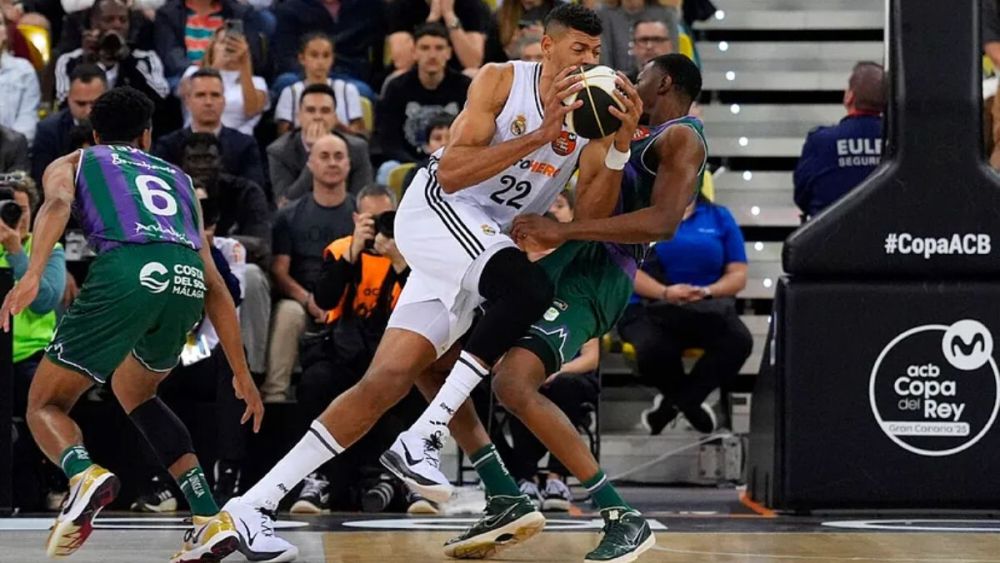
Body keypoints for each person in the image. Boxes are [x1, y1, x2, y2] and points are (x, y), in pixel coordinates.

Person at [222, 5, 639, 562]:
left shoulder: (591, 116)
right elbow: (450, 172)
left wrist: (618, 145)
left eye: (595, 53)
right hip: (439, 211)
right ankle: (426, 434)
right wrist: (539, 135)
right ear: (547, 46)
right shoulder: (500, 80)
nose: (589, 61)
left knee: (388, 379)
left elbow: (588, 213)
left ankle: (249, 508)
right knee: (528, 292)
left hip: (482, 242)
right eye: (578, 50)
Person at [399, 52, 706, 561]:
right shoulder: (619, 129)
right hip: (567, 257)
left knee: (513, 384)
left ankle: (620, 516)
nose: (631, 80)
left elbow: (663, 223)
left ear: (665, 81)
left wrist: (563, 230)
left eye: (642, 74)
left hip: (601, 273)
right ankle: (503, 495)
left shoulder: (682, 136)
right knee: (430, 357)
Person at [0, 86, 265, 561]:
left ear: (95, 133)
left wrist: (34, 272)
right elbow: (216, 283)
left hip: (128, 272)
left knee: (45, 404)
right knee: (137, 393)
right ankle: (208, 517)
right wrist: (241, 373)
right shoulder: (181, 179)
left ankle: (83, 474)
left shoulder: (75, 160)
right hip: (185, 283)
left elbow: (57, 206)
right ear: (147, 136)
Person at [289, 185, 422, 514]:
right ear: (356, 218)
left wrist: (398, 262)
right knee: (315, 380)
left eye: (385, 219)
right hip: (344, 351)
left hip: (392, 353)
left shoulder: (413, 251)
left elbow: (420, 307)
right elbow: (324, 300)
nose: (378, 228)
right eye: (370, 220)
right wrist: (353, 255)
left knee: (421, 380)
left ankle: (407, 477)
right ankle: (315, 477)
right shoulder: (340, 248)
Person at [618, 192, 751, 435]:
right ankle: (689, 406)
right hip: (649, 306)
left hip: (705, 305)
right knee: (652, 348)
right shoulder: (640, 215)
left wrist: (707, 291)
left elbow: (738, 274)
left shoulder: (718, 216)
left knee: (738, 340)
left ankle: (670, 408)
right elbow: (626, 269)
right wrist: (665, 292)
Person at [263, 132, 356, 403]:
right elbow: (279, 270)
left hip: (349, 304)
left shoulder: (360, 215)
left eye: (339, 156)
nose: (332, 163)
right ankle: (275, 398)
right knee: (288, 313)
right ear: (310, 164)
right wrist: (310, 300)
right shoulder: (288, 215)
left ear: (349, 164)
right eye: (324, 156)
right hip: (303, 302)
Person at [3, 172, 67, 512]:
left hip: (31, 356)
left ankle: (56, 481)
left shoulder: (48, 251)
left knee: (41, 396)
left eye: (22, 211)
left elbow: (45, 301)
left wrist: (15, 252)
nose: (16, 218)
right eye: (8, 210)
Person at [793, 61, 885, 218]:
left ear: (849, 96)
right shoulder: (899, 143)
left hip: (830, 239)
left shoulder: (820, 141)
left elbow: (802, 196)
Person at [153, 67, 267, 190]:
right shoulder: (168, 145)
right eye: (201, 95)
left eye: (215, 95)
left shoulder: (245, 145)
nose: (208, 102)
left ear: (223, 101)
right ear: (187, 101)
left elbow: (255, 190)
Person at [377, 23, 471, 165]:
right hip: (408, 163)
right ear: (414, 52)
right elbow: (389, 142)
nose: (432, 55)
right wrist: (420, 166)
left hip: (457, 162)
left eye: (439, 48)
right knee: (388, 168)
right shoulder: (396, 88)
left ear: (449, 53)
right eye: (425, 48)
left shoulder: (465, 87)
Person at [267, 82, 372, 205]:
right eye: (311, 110)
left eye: (325, 111)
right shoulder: (279, 151)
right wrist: (314, 154)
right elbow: (285, 203)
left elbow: (362, 202)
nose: (318, 117)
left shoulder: (356, 148)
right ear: (299, 116)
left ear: (335, 117)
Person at [53, 0, 169, 109]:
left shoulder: (145, 58)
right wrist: (87, 63)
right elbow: (64, 104)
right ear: (93, 23)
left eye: (123, 20)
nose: (117, 25)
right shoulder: (69, 60)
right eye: (109, 20)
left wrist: (128, 60)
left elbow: (161, 98)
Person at [177, 26, 268, 135]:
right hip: (194, 140)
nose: (228, 47)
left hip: (237, 144)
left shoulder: (258, 82)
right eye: (223, 42)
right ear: (212, 47)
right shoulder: (193, 72)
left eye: (234, 43)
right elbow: (184, 93)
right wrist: (216, 66)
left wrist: (244, 63)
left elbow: (251, 111)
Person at [273, 33, 365, 137]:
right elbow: (283, 137)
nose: (320, 62)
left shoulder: (347, 90)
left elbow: (360, 136)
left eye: (326, 56)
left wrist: (337, 125)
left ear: (332, 59)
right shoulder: (290, 93)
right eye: (314, 55)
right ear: (302, 59)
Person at [31, 64, 106, 184]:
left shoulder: (120, 128)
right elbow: (41, 180)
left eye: (95, 103)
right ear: (68, 98)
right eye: (81, 104)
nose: (88, 111)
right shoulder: (48, 130)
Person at [386, 0, 488, 76]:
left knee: (473, 74)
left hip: (457, 74)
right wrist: (432, 18)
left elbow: (473, 62)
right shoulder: (402, 6)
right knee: (399, 74)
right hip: (416, 75)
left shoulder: (472, 6)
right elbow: (402, 62)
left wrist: (449, 15)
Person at [599, 0, 678, 74]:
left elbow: (673, 60)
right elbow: (605, 66)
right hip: (617, 82)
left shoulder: (666, 14)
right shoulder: (604, 15)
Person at [0, 9, 40, 143]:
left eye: (0, 23)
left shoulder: (23, 70)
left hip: (13, 155)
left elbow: (27, 123)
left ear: (5, 32)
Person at [627, 16, 673, 81]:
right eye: (643, 40)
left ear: (669, 45)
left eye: (657, 39)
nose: (649, 46)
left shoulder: (686, 85)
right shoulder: (620, 85)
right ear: (633, 46)